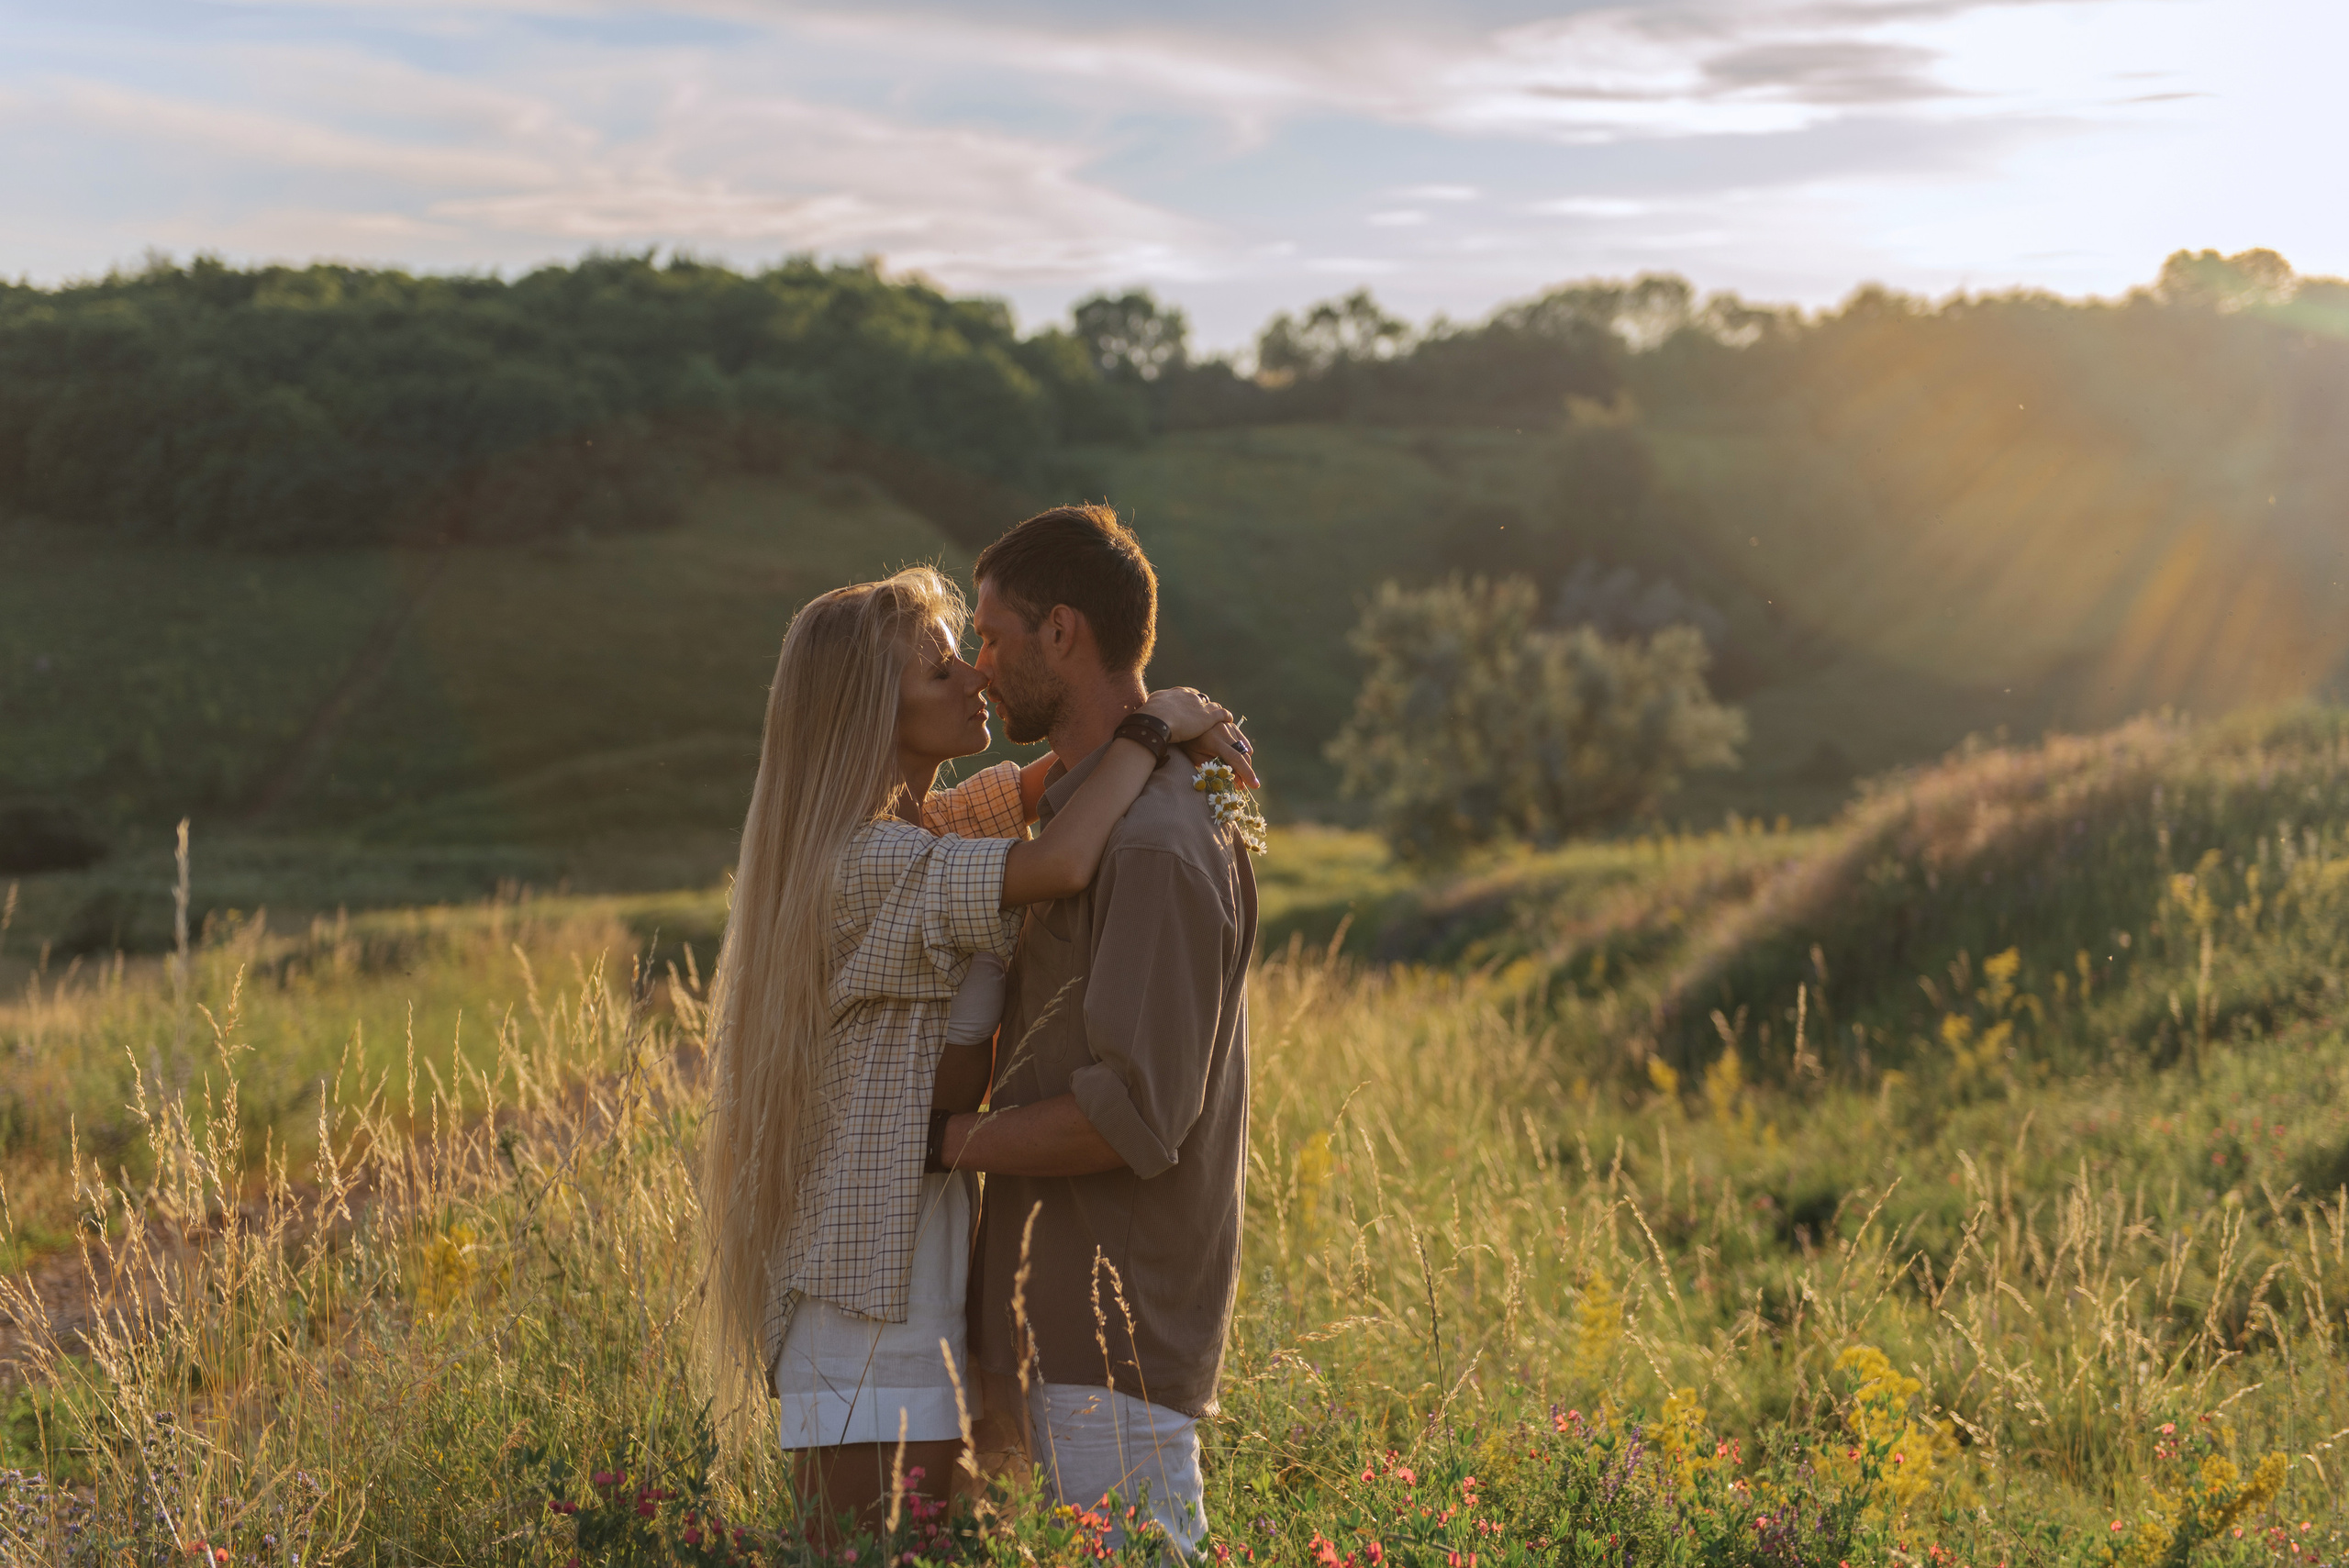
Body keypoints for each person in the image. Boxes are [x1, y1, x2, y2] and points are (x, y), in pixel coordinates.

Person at [696, 564, 1252, 1543]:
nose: (977, 681)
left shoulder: (932, 823)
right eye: (943, 670)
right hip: (857, 1283)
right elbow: (1063, 856)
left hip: (924, 1265)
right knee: (866, 1553)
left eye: (973, 656)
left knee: (926, 1547)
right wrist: (1153, 728)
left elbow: (1061, 784)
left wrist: (1172, 724)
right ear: (875, 710)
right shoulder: (863, 858)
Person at [936, 506, 1259, 1555]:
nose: (978, 669)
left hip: (1107, 1349)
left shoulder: (1156, 842)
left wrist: (942, 1141)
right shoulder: (1091, 810)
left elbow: (1133, 1116)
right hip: (1048, 1336)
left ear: (1061, 631)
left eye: (990, 635)